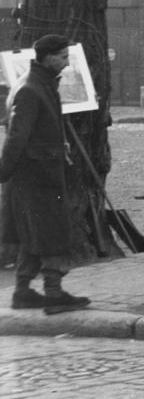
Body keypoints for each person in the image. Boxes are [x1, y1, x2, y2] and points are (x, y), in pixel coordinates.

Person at [0, 33, 90, 313]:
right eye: (62, 57)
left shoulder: (37, 83)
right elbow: (17, 137)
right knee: (51, 234)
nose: (66, 63)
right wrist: (3, 171)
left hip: (39, 175)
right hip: (38, 178)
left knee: (34, 235)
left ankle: (23, 291)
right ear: (48, 57)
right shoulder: (31, 89)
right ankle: (53, 293)